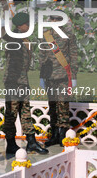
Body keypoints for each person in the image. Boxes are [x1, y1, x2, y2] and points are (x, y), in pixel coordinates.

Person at [3, 12, 48, 155]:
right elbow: (4, 34)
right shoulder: (13, 37)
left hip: (22, 81)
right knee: (11, 113)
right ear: (20, 25)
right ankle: (10, 144)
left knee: (25, 112)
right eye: (27, 24)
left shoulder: (25, 38)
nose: (29, 26)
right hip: (13, 82)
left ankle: (31, 142)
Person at [39, 11, 78, 147]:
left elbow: (73, 56)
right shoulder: (46, 36)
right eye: (52, 19)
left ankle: (63, 134)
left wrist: (73, 77)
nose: (54, 21)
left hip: (63, 76)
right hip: (49, 77)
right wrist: (42, 76)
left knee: (63, 105)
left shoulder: (69, 35)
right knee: (53, 106)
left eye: (57, 19)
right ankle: (54, 134)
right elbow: (42, 57)